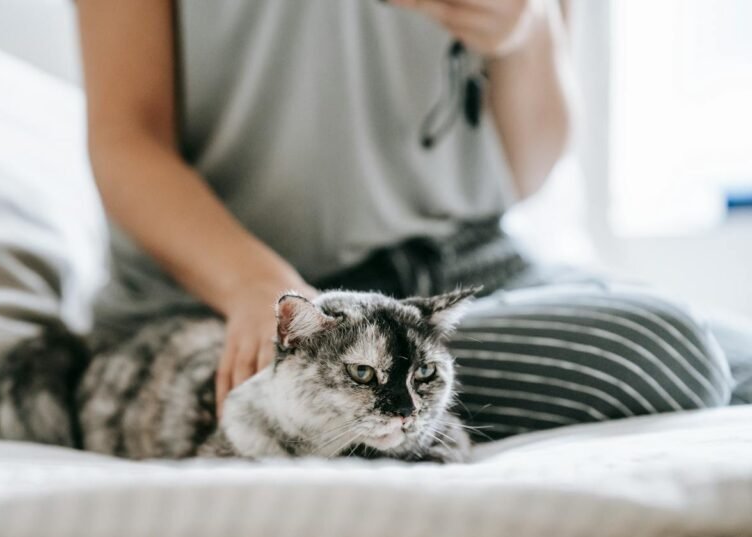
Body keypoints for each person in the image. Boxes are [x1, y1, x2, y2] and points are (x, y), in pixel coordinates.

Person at [75, 0, 733, 440]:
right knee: (668, 347)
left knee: (737, 360)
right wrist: (256, 285)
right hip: (238, 302)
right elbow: (126, 138)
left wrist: (526, 31)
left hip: (470, 264)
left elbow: (527, 172)